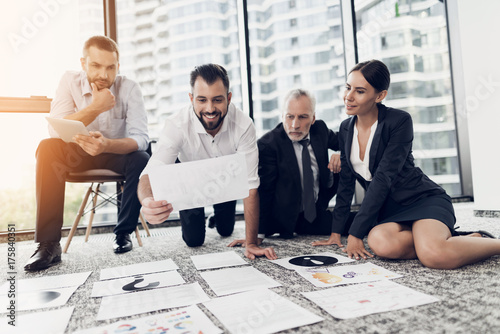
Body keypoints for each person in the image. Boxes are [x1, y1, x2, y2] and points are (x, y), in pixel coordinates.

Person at [312, 59, 500, 269]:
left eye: (360, 91)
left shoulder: (399, 121)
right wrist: (337, 233)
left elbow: (383, 178)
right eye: (348, 88)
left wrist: (355, 233)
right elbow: (346, 183)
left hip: (421, 199)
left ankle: (490, 244)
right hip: (389, 212)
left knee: (434, 257)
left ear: (380, 95)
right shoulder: (346, 128)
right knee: (379, 243)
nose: (349, 96)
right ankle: (457, 240)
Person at [24, 36, 150, 272]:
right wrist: (96, 107)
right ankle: (48, 244)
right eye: (96, 66)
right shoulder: (68, 80)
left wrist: (107, 145)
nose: (104, 74)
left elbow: (141, 139)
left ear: (118, 67)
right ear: (83, 63)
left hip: (114, 152)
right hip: (77, 152)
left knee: (142, 158)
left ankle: (123, 233)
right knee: (47, 147)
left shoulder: (130, 88)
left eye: (110, 67)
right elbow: (55, 128)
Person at [138, 63, 277, 260]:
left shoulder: (244, 125)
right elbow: (151, 170)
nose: (210, 108)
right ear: (191, 98)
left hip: (225, 177)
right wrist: (147, 201)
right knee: (193, 240)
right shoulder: (176, 125)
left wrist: (252, 243)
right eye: (202, 100)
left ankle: (216, 217)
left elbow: (251, 187)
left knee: (226, 230)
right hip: (189, 180)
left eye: (217, 100)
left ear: (228, 98)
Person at [253, 89, 354, 241]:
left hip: (315, 210)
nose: (295, 125)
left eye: (302, 117)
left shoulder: (319, 130)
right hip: (284, 217)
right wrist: (257, 235)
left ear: (313, 118)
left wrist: (341, 154)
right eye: (290, 117)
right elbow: (264, 191)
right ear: (282, 116)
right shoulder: (268, 145)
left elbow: (347, 142)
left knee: (360, 222)